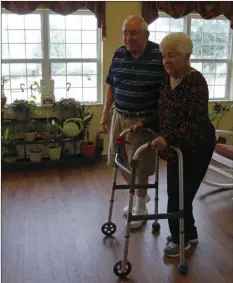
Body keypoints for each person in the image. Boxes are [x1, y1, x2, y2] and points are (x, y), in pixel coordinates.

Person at [131, 32, 216, 257]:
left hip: (197, 147)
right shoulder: (166, 81)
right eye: (164, 56)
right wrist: (144, 123)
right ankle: (190, 233)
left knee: (180, 195)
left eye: (173, 56)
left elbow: (194, 121)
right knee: (178, 193)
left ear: (187, 56)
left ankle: (180, 240)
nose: (167, 61)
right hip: (174, 148)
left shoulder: (196, 83)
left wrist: (167, 138)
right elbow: (163, 113)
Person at [100, 14, 166, 229]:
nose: (127, 38)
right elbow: (111, 85)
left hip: (143, 120)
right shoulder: (119, 54)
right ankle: (140, 196)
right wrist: (105, 114)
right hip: (120, 116)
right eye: (125, 33)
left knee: (140, 166)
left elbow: (169, 88)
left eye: (133, 33)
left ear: (146, 34)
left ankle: (140, 207)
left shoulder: (159, 55)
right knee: (118, 160)